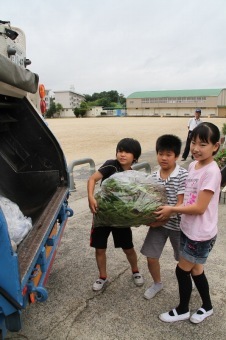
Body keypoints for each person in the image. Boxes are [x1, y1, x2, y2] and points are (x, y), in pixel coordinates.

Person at [156, 122, 221, 324]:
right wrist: (176, 205)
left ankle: (183, 309)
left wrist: (172, 209)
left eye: (203, 144)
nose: (196, 148)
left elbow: (200, 207)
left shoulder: (212, 171)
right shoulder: (194, 165)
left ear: (216, 146)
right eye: (193, 142)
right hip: (188, 227)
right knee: (195, 270)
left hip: (200, 233)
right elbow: (188, 193)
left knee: (181, 269)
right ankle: (207, 307)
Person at [87, 138, 144, 291]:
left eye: (127, 152)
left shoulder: (133, 175)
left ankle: (135, 271)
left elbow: (135, 197)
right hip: (102, 216)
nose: (122, 154)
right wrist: (91, 197)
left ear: (135, 157)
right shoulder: (111, 165)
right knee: (99, 248)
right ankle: (102, 277)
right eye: (120, 151)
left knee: (128, 248)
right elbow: (92, 179)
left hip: (120, 218)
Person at [140, 135, 188, 299]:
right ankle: (157, 283)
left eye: (168, 154)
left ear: (177, 156)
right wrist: (147, 219)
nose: (164, 158)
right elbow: (147, 201)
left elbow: (182, 204)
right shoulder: (152, 177)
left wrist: (168, 214)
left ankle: (190, 281)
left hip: (179, 225)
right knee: (151, 256)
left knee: (183, 260)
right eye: (161, 154)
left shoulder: (183, 175)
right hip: (158, 224)